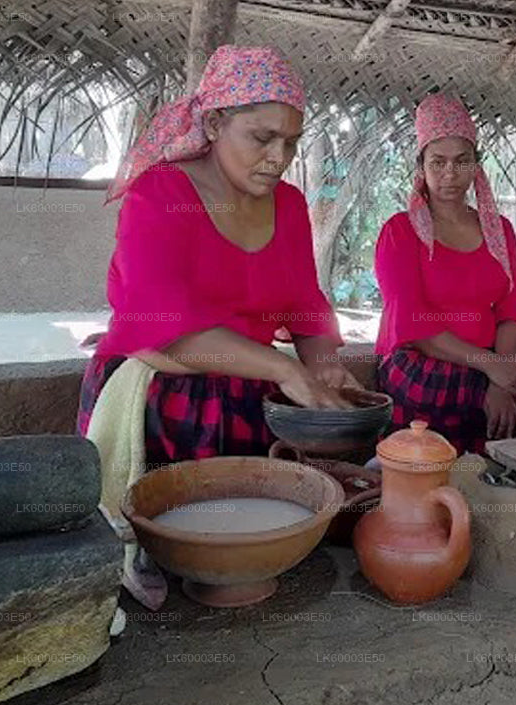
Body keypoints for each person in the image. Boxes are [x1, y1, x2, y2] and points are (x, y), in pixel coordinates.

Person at [78, 45, 358, 465]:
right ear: (213, 123)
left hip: (250, 398)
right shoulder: (160, 194)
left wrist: (322, 365)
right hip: (160, 404)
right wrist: (286, 370)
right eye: (262, 138)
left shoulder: (290, 206)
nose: (279, 158)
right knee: (162, 522)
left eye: (291, 143)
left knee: (250, 522)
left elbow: (304, 304)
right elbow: (165, 322)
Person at [374, 93, 516, 454]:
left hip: (489, 362)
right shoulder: (400, 232)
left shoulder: (499, 231)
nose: (450, 174)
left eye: (461, 161)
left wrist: (502, 381)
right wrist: (489, 368)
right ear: (420, 165)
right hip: (419, 364)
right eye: (437, 162)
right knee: (463, 401)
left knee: (512, 403)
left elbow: (511, 308)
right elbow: (412, 321)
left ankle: (491, 494)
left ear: (476, 165)